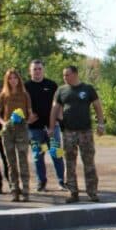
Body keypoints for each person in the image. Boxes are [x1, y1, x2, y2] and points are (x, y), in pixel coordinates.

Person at [49, 65, 105, 203]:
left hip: (85, 131)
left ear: (75, 74)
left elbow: (97, 106)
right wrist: (51, 127)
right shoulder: (61, 90)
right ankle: (72, 193)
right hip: (68, 131)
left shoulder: (87, 89)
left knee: (89, 162)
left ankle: (92, 192)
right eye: (63, 75)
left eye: (67, 75)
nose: (65, 77)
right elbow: (54, 109)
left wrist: (101, 124)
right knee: (70, 163)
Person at [0, 68, 36, 202]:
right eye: (10, 78)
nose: (13, 80)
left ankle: (26, 190)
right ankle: (14, 190)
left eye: (15, 78)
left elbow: (30, 112)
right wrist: (3, 123)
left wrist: (28, 120)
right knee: (11, 162)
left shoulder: (25, 95)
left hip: (22, 128)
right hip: (8, 129)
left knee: (23, 159)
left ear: (19, 79)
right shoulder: (3, 95)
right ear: (7, 80)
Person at [25, 59, 65, 192]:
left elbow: (59, 105)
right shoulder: (25, 86)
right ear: (30, 71)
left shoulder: (52, 85)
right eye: (34, 69)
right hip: (34, 129)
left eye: (39, 69)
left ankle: (62, 182)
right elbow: (21, 106)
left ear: (43, 70)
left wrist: (57, 121)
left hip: (52, 127)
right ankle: (41, 183)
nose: (37, 71)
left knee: (56, 154)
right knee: (38, 155)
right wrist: (27, 119)